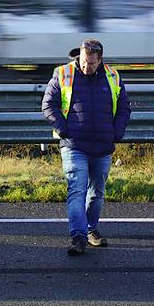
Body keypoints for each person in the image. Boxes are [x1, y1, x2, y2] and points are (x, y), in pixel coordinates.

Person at [41, 39, 131, 255]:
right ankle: (78, 236)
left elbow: (124, 108)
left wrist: (116, 133)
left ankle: (91, 229)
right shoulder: (63, 73)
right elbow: (48, 104)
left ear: (100, 60)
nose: (85, 66)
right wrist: (63, 130)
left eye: (90, 63)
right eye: (83, 61)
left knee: (97, 193)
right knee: (77, 190)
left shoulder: (113, 76)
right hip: (74, 144)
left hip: (102, 145)